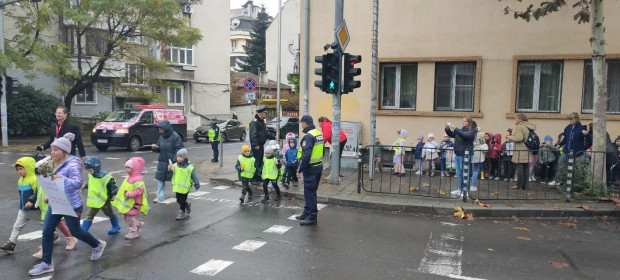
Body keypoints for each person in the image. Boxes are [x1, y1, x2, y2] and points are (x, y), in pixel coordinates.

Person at [29, 133, 106, 276]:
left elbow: (77, 184)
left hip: (71, 205)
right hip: (56, 202)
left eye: (55, 150)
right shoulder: (53, 162)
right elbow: (52, 182)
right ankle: (46, 264)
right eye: (51, 150)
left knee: (76, 232)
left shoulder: (73, 164)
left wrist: (62, 178)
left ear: (64, 151)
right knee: (47, 231)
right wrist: (50, 196)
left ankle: (97, 245)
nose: (52, 153)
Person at [0, 157, 75, 256]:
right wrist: (24, 204)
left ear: (28, 168)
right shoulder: (21, 180)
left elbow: (37, 193)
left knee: (52, 225)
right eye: (17, 169)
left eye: (21, 169)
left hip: (36, 210)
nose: (19, 171)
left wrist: (31, 201)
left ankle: (62, 237)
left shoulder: (35, 179)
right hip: (24, 210)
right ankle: (11, 244)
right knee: (17, 226)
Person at [80, 156, 121, 234]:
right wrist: (85, 186)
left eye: (90, 170)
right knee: (90, 215)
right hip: (95, 201)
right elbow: (92, 183)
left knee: (109, 213)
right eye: (88, 170)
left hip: (104, 200)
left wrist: (113, 194)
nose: (89, 172)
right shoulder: (91, 175)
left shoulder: (105, 177)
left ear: (96, 168)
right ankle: (83, 230)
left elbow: (112, 184)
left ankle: (116, 226)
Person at [295, 115, 324, 226]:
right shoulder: (318, 133)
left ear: (305, 123)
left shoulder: (308, 136)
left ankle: (312, 216)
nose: (301, 125)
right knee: (311, 192)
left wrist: (299, 170)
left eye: (302, 123)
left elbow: (306, 156)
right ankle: (306, 212)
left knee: (310, 193)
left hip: (310, 168)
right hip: (318, 166)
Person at [112, 157, 148, 239]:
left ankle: (133, 232)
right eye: (126, 167)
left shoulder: (137, 180)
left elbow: (139, 191)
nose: (126, 169)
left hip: (135, 203)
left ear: (135, 168)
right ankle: (137, 224)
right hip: (128, 202)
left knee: (130, 218)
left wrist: (129, 194)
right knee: (125, 217)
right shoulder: (128, 178)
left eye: (129, 167)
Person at [151, 120, 184, 203]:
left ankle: (180, 196)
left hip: (172, 163)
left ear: (166, 129)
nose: (159, 131)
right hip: (162, 161)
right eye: (158, 129)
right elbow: (159, 147)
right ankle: (160, 197)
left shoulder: (176, 137)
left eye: (161, 129)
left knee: (175, 180)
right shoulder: (161, 137)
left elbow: (179, 150)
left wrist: (173, 161)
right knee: (160, 179)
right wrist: (155, 147)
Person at [552, 112, 587, 186]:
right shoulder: (568, 127)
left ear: (576, 119)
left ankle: (573, 184)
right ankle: (556, 180)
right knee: (560, 164)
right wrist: (560, 144)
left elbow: (587, 139)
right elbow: (565, 139)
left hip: (576, 152)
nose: (570, 121)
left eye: (571, 119)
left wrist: (583, 148)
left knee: (574, 168)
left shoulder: (582, 128)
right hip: (566, 150)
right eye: (569, 119)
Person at [445, 116, 476, 197]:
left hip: (465, 156)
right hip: (458, 154)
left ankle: (465, 191)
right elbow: (452, 134)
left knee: (465, 173)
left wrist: (455, 128)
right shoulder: (460, 130)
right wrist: (447, 129)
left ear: (469, 123)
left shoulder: (471, 131)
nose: (463, 122)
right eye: (463, 121)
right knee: (458, 173)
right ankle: (459, 189)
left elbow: (465, 136)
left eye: (465, 121)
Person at [168, 149, 200, 220]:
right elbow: (171, 175)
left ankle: (182, 212)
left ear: (184, 157)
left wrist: (196, 184)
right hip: (177, 187)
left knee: (182, 200)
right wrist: (169, 169)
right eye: (177, 156)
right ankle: (187, 205)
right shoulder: (175, 165)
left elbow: (194, 176)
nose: (178, 158)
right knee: (178, 200)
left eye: (180, 156)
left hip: (185, 188)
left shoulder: (189, 167)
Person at [507, 113, 536, 190]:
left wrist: (510, 137)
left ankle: (518, 185)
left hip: (520, 149)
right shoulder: (528, 126)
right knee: (526, 167)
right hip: (527, 149)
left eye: (516, 118)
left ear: (520, 119)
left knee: (520, 167)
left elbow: (519, 138)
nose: (515, 120)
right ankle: (525, 185)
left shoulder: (519, 126)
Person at [250, 105, 274, 185]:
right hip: (256, 146)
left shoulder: (261, 122)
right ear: (261, 113)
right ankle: (253, 179)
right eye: (265, 113)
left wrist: (273, 137)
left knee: (260, 162)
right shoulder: (255, 122)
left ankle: (258, 176)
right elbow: (253, 134)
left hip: (261, 146)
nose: (266, 115)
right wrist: (255, 144)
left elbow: (265, 133)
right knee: (256, 162)